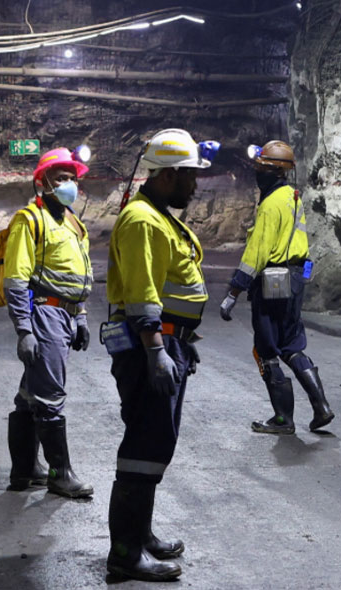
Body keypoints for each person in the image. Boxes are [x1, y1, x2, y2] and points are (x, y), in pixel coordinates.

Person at [104, 128, 216, 582]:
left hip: (169, 343)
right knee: (144, 445)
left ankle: (140, 534)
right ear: (168, 175)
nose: (195, 184)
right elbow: (142, 294)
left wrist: (182, 342)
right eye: (190, 176)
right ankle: (125, 554)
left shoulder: (159, 217)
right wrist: (156, 351)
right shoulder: (143, 222)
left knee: (155, 444)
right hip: (149, 345)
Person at [219, 140, 334, 435]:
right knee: (292, 344)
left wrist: (234, 291)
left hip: (272, 279)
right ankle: (321, 407)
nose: (258, 173)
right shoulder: (293, 197)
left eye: (262, 169)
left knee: (267, 349)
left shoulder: (270, 205)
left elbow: (257, 253)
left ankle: (283, 420)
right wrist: (301, 279)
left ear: (274, 172)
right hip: (294, 278)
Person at [3, 146, 94, 498]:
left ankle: (24, 469)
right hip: (44, 314)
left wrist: (81, 316)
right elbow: (16, 280)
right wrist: (24, 330)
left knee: (31, 394)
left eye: (72, 178)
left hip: (65, 315)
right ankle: (59, 474)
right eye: (61, 178)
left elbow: (78, 273)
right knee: (51, 395)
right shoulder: (30, 220)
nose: (69, 184)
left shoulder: (74, 223)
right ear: (43, 182)